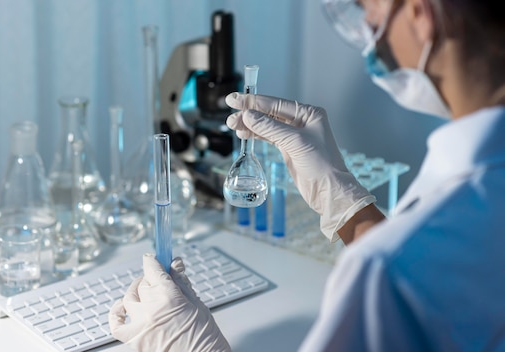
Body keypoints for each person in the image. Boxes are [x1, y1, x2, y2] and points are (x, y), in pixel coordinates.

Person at [109, 0, 505, 350]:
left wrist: (189, 345)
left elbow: (405, 271)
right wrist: (349, 207)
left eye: (369, 7)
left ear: (421, 13)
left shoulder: (384, 269)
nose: (366, 24)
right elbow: (438, 286)